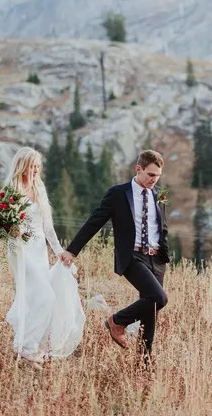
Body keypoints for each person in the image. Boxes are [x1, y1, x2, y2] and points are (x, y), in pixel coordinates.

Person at [59, 149, 168, 362]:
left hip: (156, 258)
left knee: (151, 309)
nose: (154, 180)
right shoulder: (119, 193)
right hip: (133, 257)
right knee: (159, 298)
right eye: (151, 175)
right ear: (138, 169)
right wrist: (72, 250)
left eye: (158, 176)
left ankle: (144, 362)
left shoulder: (158, 196)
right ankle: (116, 321)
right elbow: (95, 221)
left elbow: (161, 227)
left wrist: (164, 252)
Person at [4, 147, 84, 366]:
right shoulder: (12, 190)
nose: (36, 170)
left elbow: (48, 227)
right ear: (22, 166)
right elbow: (6, 225)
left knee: (36, 298)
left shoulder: (39, 189)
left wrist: (59, 251)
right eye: (32, 166)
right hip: (20, 249)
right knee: (45, 297)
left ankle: (26, 347)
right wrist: (12, 232)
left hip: (39, 250)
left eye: (38, 166)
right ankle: (26, 347)